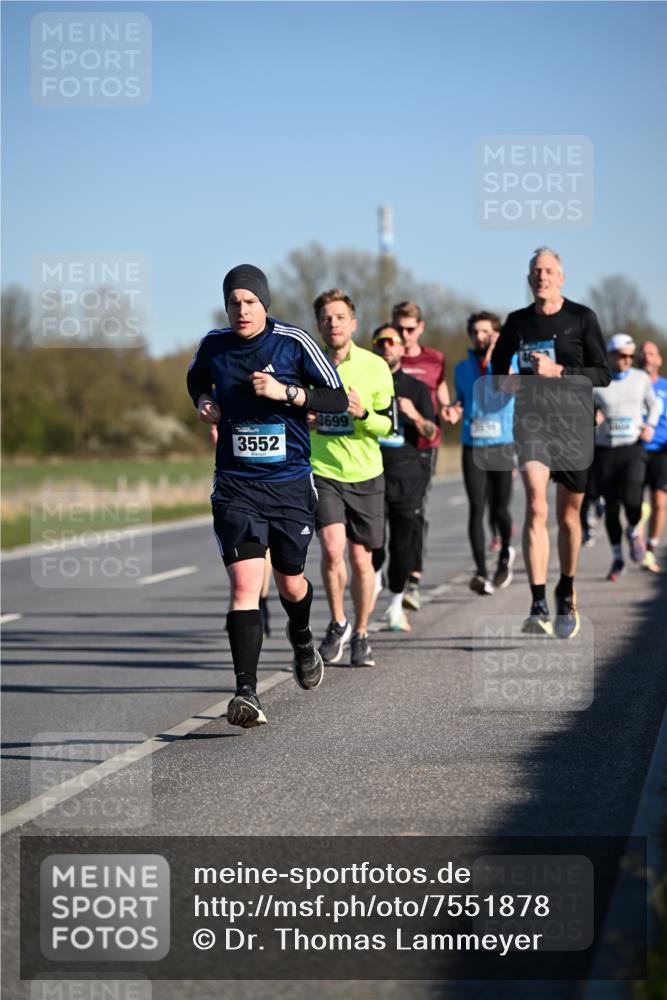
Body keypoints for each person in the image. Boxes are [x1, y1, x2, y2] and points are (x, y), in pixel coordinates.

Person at [187, 265, 347, 728]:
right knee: (243, 586)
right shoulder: (213, 345)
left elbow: (335, 398)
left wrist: (288, 393)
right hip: (236, 485)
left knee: (290, 582)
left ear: (265, 303)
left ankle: (301, 637)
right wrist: (201, 402)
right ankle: (246, 692)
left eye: (250, 301)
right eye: (233, 302)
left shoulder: (293, 342)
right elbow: (196, 380)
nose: (241, 310)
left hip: (290, 484)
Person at [492, 247, 610, 638]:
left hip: (574, 427)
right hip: (532, 424)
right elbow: (497, 369)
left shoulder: (582, 318)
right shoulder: (517, 322)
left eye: (549, 270)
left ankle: (567, 587)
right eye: (535, 271)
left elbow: (603, 374)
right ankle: (538, 600)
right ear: (528, 280)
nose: (542, 276)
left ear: (561, 277)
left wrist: (561, 371)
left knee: (568, 517)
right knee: (537, 504)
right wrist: (504, 381)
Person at [310, 290, 394, 667]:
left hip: (365, 473)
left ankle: (361, 632)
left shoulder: (375, 366)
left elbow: (389, 426)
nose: (333, 323)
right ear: (319, 325)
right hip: (323, 469)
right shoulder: (307, 365)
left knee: (362, 562)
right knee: (331, 549)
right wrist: (305, 417)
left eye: (340, 317)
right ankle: (337, 621)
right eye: (326, 318)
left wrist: (362, 413)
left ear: (353, 323)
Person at [443, 311, 516, 594]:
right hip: (472, 444)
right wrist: (453, 410)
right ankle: (482, 573)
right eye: (475, 332)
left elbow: (514, 388)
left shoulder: (509, 364)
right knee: (476, 508)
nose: (479, 336)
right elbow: (461, 400)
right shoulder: (461, 368)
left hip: (501, 444)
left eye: (485, 331)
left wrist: (500, 357)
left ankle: (506, 553)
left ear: (496, 334)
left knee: (499, 509)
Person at [371, 323, 437, 630]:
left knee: (401, 548)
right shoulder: (364, 384)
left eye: (392, 342)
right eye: (380, 342)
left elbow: (432, 431)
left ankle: (396, 605)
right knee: (373, 543)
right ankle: (373, 579)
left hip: (406, 474)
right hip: (370, 471)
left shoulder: (416, 388)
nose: (386, 347)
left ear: (401, 348)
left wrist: (414, 415)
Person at [392, 301, 450, 611]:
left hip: (425, 446)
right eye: (399, 329)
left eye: (410, 329)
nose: (405, 334)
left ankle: (412, 576)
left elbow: (443, 400)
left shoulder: (435, 359)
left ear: (421, 328)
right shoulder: (384, 360)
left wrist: (451, 411)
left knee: (416, 511)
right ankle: (395, 572)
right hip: (393, 448)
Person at [592, 334, 661, 581]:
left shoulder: (641, 378)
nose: (627, 360)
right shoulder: (597, 380)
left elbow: (655, 405)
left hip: (632, 448)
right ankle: (617, 558)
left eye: (631, 356)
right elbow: (585, 409)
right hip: (605, 451)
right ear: (609, 355)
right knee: (611, 508)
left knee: (633, 499)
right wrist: (593, 418)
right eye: (622, 355)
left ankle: (633, 531)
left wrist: (650, 425)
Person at [637, 340, 667, 572]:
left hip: (661, 451)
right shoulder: (631, 385)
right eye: (643, 353)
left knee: (659, 501)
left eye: (651, 353)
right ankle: (635, 541)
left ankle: (650, 549)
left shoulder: (665, 387)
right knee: (634, 504)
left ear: (659, 360)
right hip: (634, 449)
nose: (647, 357)